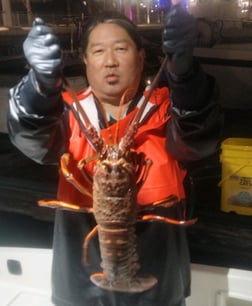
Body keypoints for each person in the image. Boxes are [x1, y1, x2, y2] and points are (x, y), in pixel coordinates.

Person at [8, 3, 222, 306]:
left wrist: (184, 75)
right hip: (82, 288)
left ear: (141, 55)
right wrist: (39, 87)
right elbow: (33, 139)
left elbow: (199, 139)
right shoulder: (67, 115)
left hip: (157, 284)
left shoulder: (169, 112)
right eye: (98, 51)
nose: (110, 61)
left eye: (121, 49)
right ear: (84, 60)